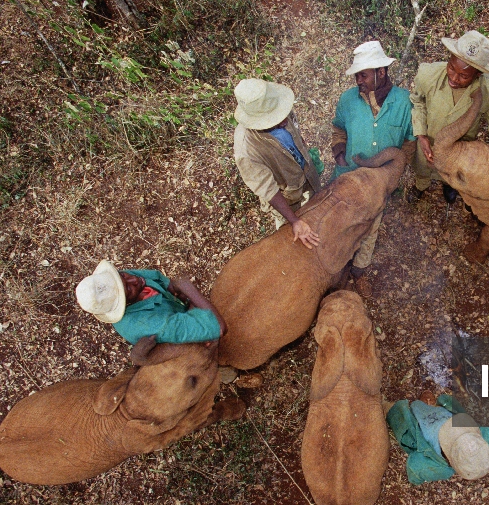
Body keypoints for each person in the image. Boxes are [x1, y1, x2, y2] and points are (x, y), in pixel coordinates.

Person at [331, 41, 415, 297]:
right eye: (357, 75)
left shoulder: (404, 102)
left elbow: (410, 140)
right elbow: (338, 127)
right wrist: (340, 153)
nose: (358, 80)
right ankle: (338, 270)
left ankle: (359, 271)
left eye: (363, 74)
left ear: (381, 72)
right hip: (348, 178)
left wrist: (396, 171)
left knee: (370, 228)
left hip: (380, 185)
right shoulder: (348, 100)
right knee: (343, 226)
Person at [408, 30, 489, 204]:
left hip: (458, 149)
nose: (454, 78)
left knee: (451, 173)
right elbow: (418, 102)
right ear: (449, 59)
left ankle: (448, 185)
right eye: (451, 68)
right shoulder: (428, 74)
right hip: (428, 139)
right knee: (423, 165)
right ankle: (421, 185)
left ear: (478, 74)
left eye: (463, 76)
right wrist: (421, 135)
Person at [233, 78, 322, 249]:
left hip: (306, 175)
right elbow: (269, 190)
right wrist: (294, 221)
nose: (284, 121)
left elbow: (296, 132)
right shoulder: (246, 149)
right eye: (276, 120)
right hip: (287, 196)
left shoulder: (277, 104)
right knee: (293, 243)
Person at [75, 260, 227, 345]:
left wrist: (180, 294)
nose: (135, 279)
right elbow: (219, 327)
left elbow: (159, 279)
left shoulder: (119, 281)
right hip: (170, 334)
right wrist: (189, 290)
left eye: (124, 276)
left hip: (176, 316)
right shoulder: (148, 325)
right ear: (125, 304)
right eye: (129, 288)